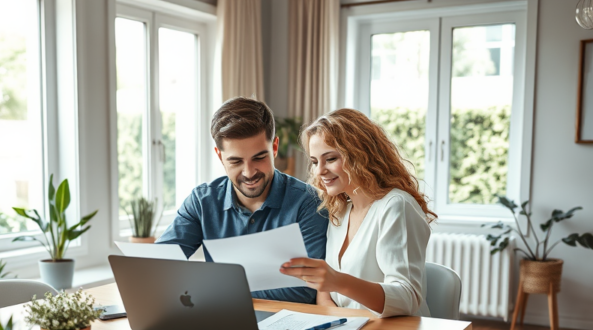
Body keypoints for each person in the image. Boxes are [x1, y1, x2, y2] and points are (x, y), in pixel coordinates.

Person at [156, 97, 329, 304]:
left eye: (259, 158)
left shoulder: (309, 202)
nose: (249, 172)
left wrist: (219, 287)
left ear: (274, 148)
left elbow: (305, 291)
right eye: (236, 161)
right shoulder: (202, 202)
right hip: (220, 321)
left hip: (290, 326)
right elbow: (158, 267)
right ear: (220, 156)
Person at [280, 108, 437, 317]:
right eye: (315, 161)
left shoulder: (396, 206)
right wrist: (336, 324)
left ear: (360, 155)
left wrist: (338, 281)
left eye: (331, 158)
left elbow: (407, 298)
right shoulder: (340, 211)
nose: (319, 171)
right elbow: (325, 293)